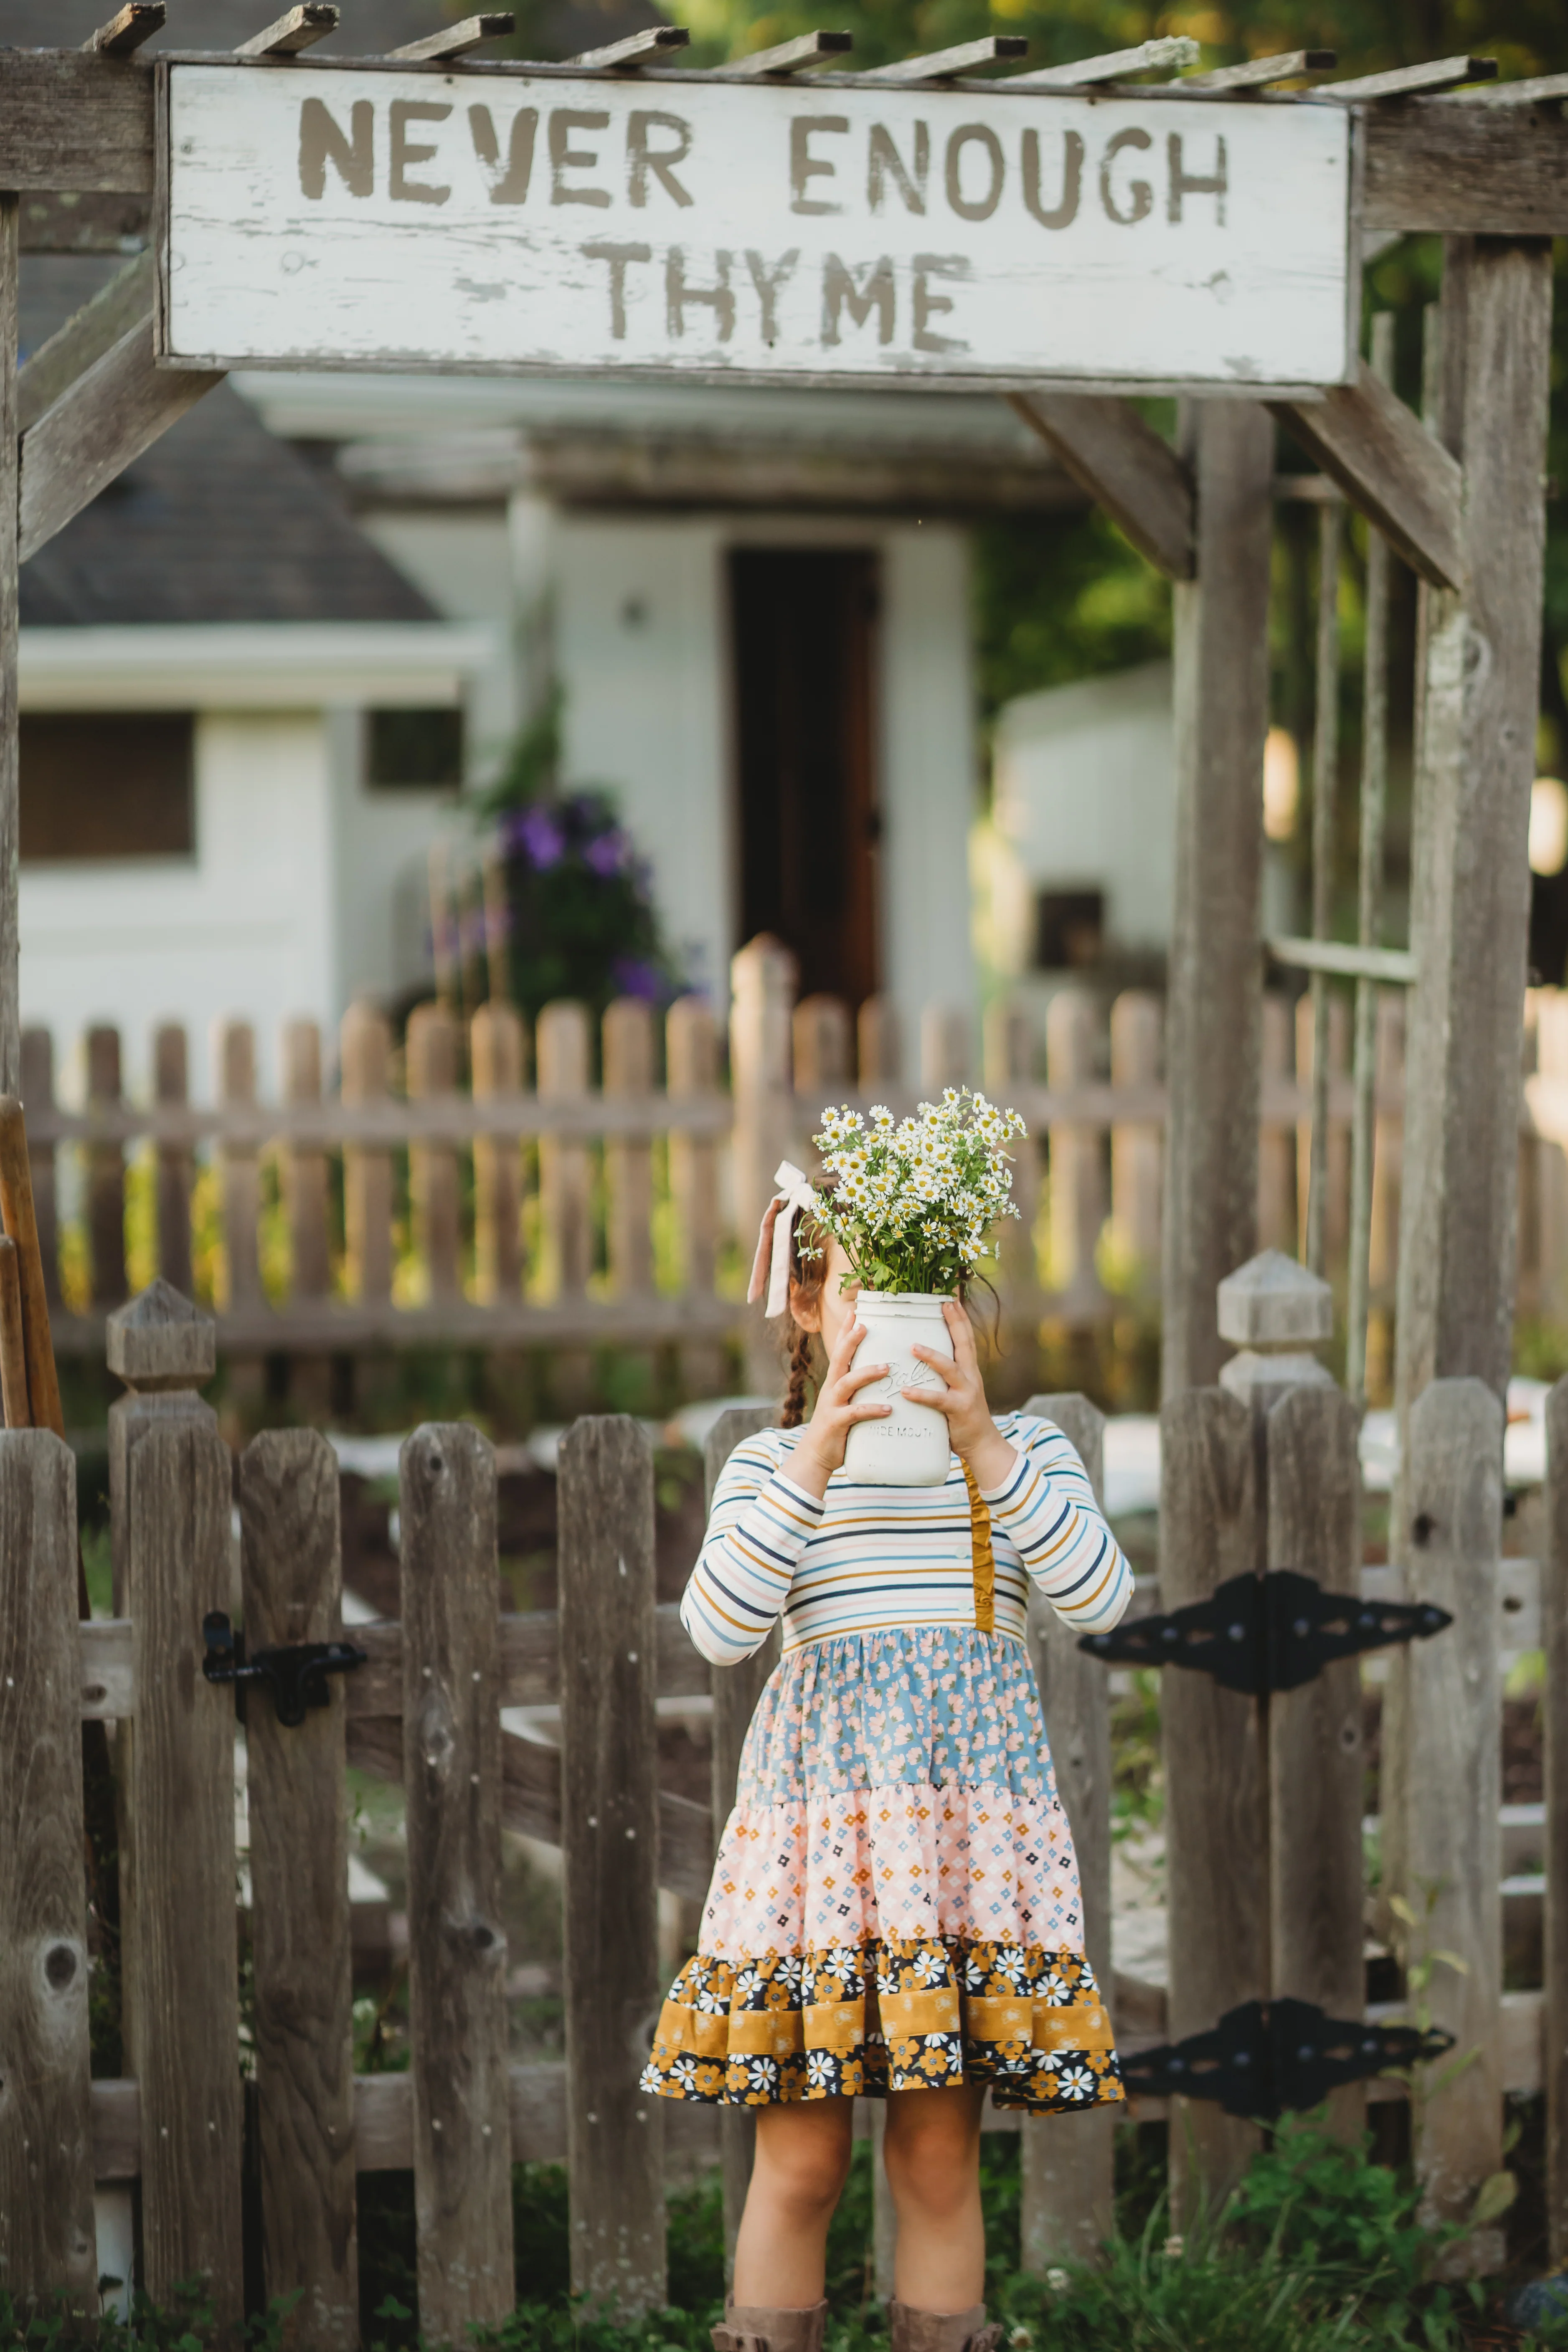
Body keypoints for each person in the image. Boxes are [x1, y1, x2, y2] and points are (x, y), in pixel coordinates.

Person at [642, 1175, 1134, 2352]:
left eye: (924, 1293)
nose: (894, 1319)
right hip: (820, 1859)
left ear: (959, 1311)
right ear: (809, 1301)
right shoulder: (769, 1470)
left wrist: (982, 1443)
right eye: (863, 1288)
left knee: (934, 2150)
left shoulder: (1024, 1458)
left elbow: (1104, 1601)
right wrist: (818, 1450)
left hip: (955, 1864)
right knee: (803, 2156)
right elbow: (718, 1627)